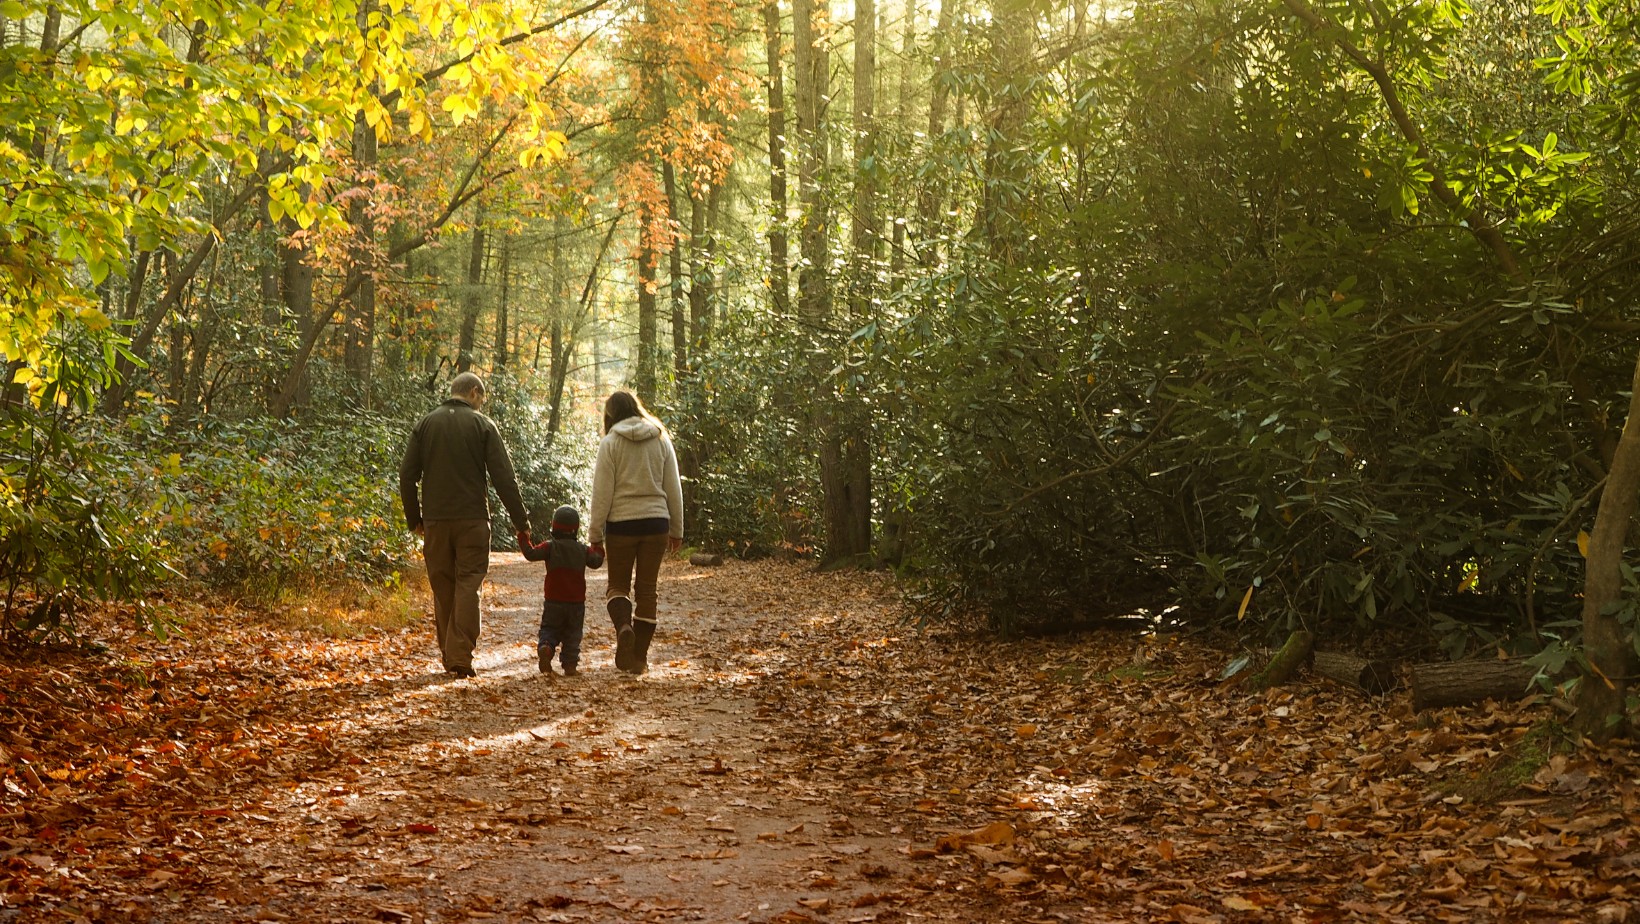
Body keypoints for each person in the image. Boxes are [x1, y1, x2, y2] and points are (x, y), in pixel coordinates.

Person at [399, 372, 530, 678]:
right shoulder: (482, 425)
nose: (481, 405)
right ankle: (460, 654)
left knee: (443, 585)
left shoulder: (425, 424)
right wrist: (521, 522)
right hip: (473, 520)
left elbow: (407, 475)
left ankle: (451, 653)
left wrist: (414, 519)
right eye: (481, 399)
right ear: (474, 392)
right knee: (469, 583)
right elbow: (504, 478)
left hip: (434, 521)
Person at [588, 390, 683, 675]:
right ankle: (639, 658)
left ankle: (624, 627)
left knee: (617, 586)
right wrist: (677, 529)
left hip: (622, 525)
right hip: (656, 523)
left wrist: (595, 533)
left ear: (611, 414)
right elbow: (673, 488)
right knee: (647, 591)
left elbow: (602, 492)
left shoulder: (610, 443)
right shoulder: (660, 438)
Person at [517, 506, 605, 677]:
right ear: (576, 529)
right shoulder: (583, 550)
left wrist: (523, 536)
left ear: (554, 527)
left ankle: (546, 647)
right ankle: (570, 665)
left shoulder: (550, 547)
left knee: (549, 628)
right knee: (573, 635)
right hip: (576, 603)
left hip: (553, 601)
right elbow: (596, 562)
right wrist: (598, 546)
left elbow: (530, 553)